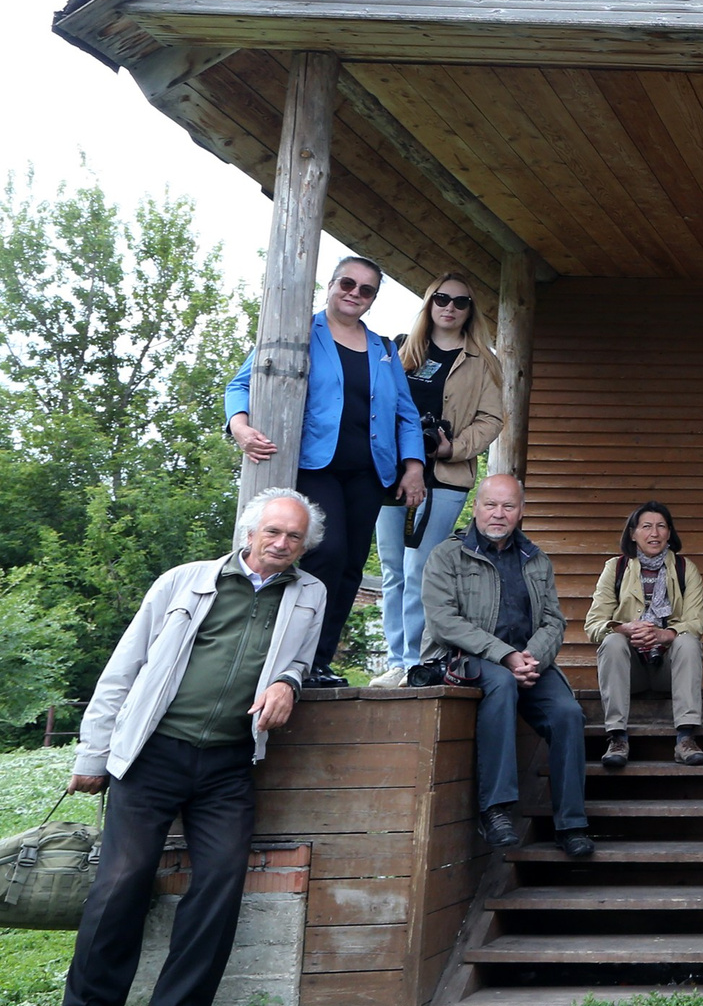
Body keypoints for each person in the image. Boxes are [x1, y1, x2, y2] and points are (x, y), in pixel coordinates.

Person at [56, 491, 326, 1006]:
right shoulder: (185, 581)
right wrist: (92, 755)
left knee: (221, 883)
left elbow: (299, 660)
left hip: (229, 761)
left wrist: (288, 684)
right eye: (273, 532)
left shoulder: (310, 594)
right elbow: (125, 666)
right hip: (152, 754)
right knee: (121, 882)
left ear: (305, 545)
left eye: (294, 537)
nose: (281, 544)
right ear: (249, 533)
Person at [224, 253, 426, 686]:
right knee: (327, 553)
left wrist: (413, 466)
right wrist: (239, 427)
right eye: (346, 284)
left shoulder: (384, 349)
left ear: (373, 298)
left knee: (352, 565)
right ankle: (292, 657)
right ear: (331, 285)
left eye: (366, 290)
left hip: (370, 473)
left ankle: (319, 662)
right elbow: (241, 383)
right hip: (316, 466)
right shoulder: (297, 332)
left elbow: (406, 414)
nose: (354, 294)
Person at [420, 473, 591, 858]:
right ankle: (495, 810)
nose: (498, 513)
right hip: (467, 659)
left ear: (521, 511)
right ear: (476, 507)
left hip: (529, 661)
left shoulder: (536, 559)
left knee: (567, 714)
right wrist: (505, 655)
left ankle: (572, 824)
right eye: (491, 505)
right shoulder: (446, 555)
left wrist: (531, 658)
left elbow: (554, 621)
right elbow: (443, 621)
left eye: (508, 506)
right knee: (501, 682)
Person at [373, 273, 505, 685]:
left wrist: (453, 447)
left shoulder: (483, 362)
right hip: (393, 473)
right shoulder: (399, 350)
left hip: (445, 477)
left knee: (420, 568)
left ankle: (416, 660)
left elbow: (492, 419)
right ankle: (397, 660)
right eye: (441, 299)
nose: (449, 307)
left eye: (460, 302)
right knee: (393, 568)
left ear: (470, 311)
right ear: (429, 303)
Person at [585, 502, 703, 769]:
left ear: (669, 533)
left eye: (661, 526)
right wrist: (624, 629)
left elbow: (697, 621)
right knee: (612, 641)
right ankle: (617, 738)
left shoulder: (685, 568)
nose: (654, 533)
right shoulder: (615, 568)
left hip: (668, 671)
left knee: (687, 641)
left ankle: (686, 738)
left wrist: (666, 634)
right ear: (633, 533)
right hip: (631, 672)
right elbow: (593, 624)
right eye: (646, 526)